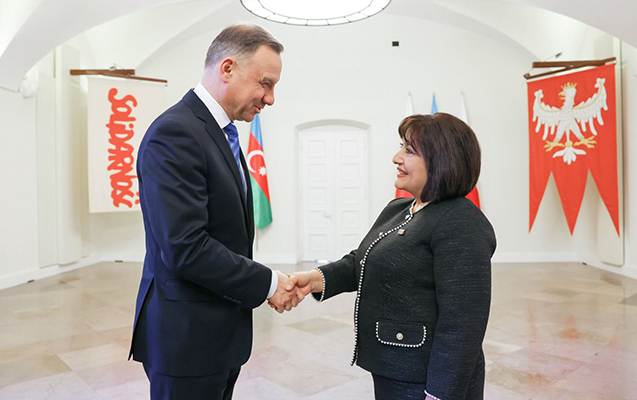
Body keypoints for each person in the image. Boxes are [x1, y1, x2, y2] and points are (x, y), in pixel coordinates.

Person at [129, 24, 303, 400]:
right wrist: (270, 283)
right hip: (186, 340)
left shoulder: (221, 131)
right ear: (227, 69)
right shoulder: (176, 133)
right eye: (265, 84)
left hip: (219, 336)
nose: (270, 99)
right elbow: (186, 247)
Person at [286, 113, 496, 400]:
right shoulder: (399, 209)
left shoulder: (461, 222)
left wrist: (439, 395)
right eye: (401, 147)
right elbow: (362, 261)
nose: (396, 158)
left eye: (409, 151)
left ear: (441, 160)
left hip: (424, 380)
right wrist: (314, 279)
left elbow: (462, 325)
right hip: (394, 368)